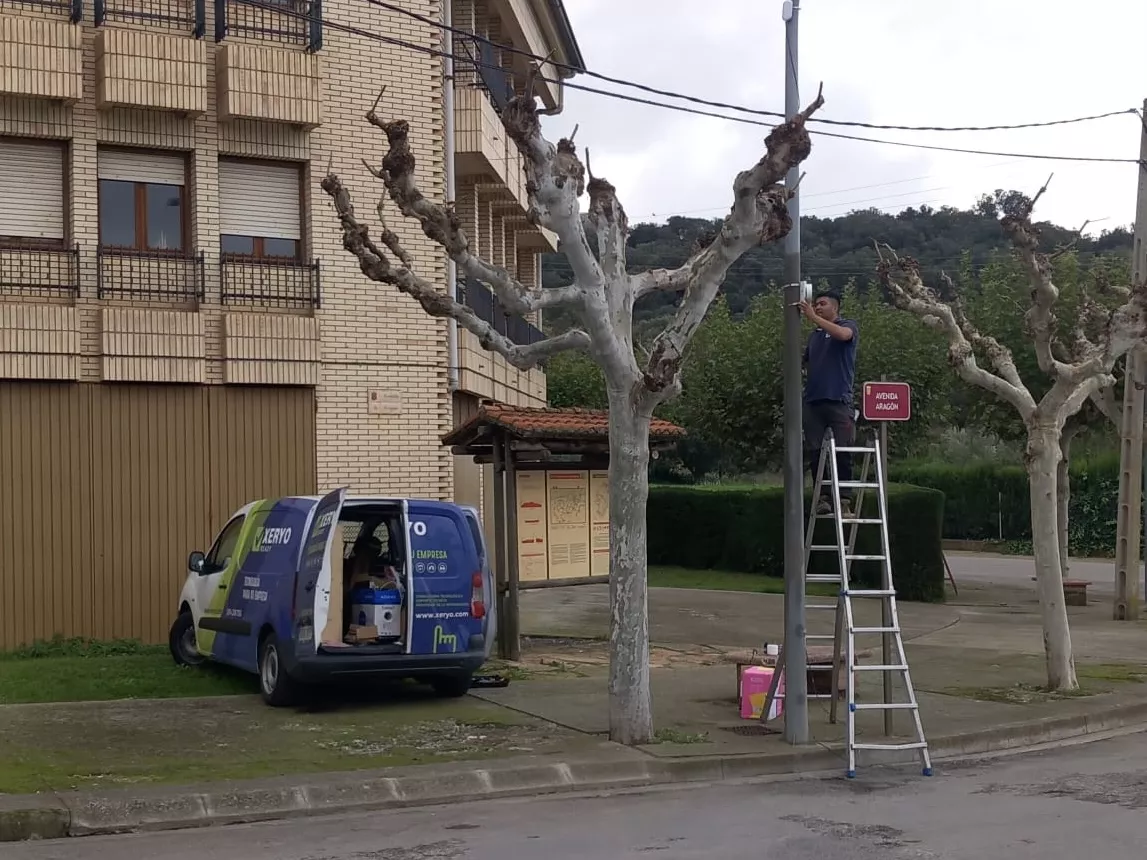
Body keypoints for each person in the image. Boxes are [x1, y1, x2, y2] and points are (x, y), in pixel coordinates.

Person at [799, 288, 859, 515]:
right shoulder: (814, 336)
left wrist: (813, 318)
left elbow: (843, 335)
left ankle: (843, 500)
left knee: (843, 451)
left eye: (822, 304)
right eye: (815, 304)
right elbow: (803, 362)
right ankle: (823, 497)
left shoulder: (848, 325)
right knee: (815, 452)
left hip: (838, 399)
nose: (817, 307)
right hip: (814, 401)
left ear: (835, 306)